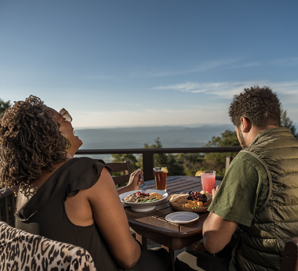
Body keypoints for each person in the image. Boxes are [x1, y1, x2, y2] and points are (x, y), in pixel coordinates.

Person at [0, 95, 171, 271]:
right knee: (162, 256)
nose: (69, 121)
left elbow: (73, 209)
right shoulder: (87, 171)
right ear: (51, 135)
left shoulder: (25, 187)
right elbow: (129, 258)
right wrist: (133, 240)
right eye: (62, 118)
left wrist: (127, 189)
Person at [175, 86, 298, 271]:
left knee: (183, 258)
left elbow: (212, 242)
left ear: (243, 123)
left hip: (262, 266)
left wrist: (217, 205)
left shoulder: (250, 160)